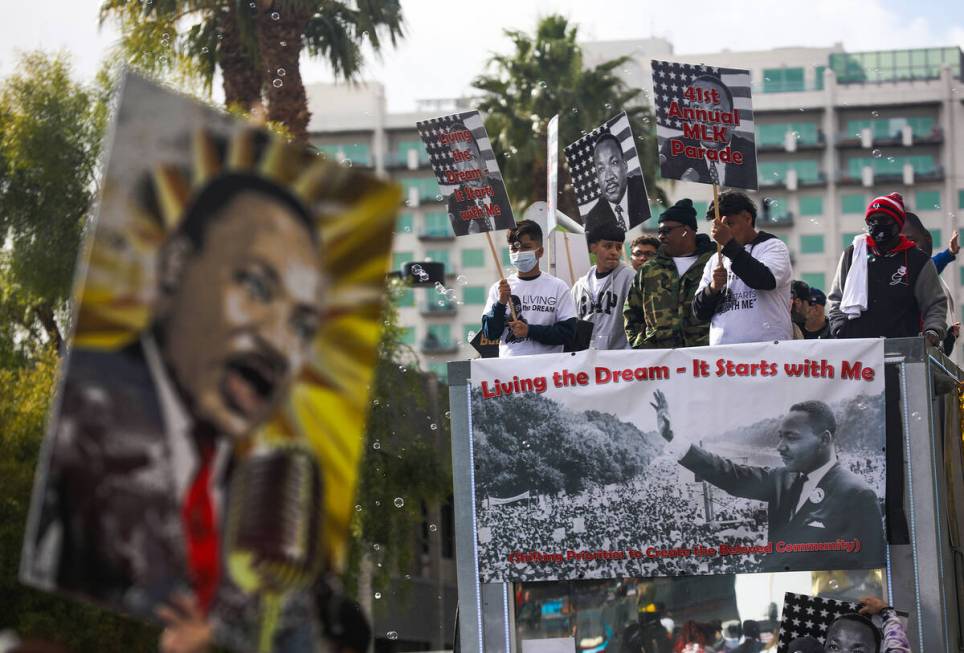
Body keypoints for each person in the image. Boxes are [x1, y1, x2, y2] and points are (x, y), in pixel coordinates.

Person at [26, 173, 326, 649]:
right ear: (175, 266)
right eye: (255, 286)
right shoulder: (78, 424)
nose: (278, 340)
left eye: (302, 325)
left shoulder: (270, 513)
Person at [649, 392, 886, 572]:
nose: (779, 447)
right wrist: (672, 437)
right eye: (779, 437)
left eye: (791, 438)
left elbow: (871, 565)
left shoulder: (857, 494)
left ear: (824, 439)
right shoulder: (782, 478)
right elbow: (730, 475)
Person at [827, 193, 946, 344]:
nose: (877, 225)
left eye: (884, 220)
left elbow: (935, 304)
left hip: (903, 351)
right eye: (872, 221)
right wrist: (839, 328)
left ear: (898, 223)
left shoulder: (918, 260)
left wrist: (933, 331)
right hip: (856, 352)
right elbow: (836, 298)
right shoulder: (853, 254)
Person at [692, 191, 793, 345]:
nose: (723, 230)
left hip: (768, 351)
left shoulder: (772, 246)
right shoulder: (716, 259)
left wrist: (729, 244)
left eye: (729, 224)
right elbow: (699, 312)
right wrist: (712, 288)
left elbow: (765, 280)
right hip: (725, 357)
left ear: (747, 218)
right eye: (718, 225)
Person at [624, 199, 715, 349]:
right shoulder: (648, 270)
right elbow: (631, 313)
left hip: (705, 358)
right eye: (659, 232)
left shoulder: (714, 262)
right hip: (661, 362)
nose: (660, 236)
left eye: (666, 231)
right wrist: (642, 345)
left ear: (686, 230)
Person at [481, 219, 578, 356]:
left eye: (526, 247)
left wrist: (529, 331)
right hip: (510, 372)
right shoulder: (499, 288)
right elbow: (489, 333)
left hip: (548, 371)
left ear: (540, 252)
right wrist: (501, 303)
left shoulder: (558, 287)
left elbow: (568, 333)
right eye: (514, 248)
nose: (519, 252)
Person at [658, 75, 757, 189]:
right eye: (697, 109)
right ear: (691, 119)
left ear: (733, 120)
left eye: (716, 110)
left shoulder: (748, 153)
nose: (708, 121)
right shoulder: (673, 149)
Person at [443, 121, 513, 236]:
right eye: (460, 160)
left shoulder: (502, 189)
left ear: (482, 160)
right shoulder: (454, 202)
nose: (467, 167)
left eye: (470, 157)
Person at [571, 223, 635, 349]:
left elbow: (637, 322)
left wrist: (629, 354)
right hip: (586, 360)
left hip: (619, 360)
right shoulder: (580, 285)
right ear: (593, 247)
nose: (614, 252)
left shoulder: (630, 278)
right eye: (608, 246)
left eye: (618, 247)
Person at [585, 133, 649, 234]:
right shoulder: (593, 219)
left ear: (624, 165)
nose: (608, 177)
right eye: (601, 169)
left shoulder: (644, 189)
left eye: (614, 163)